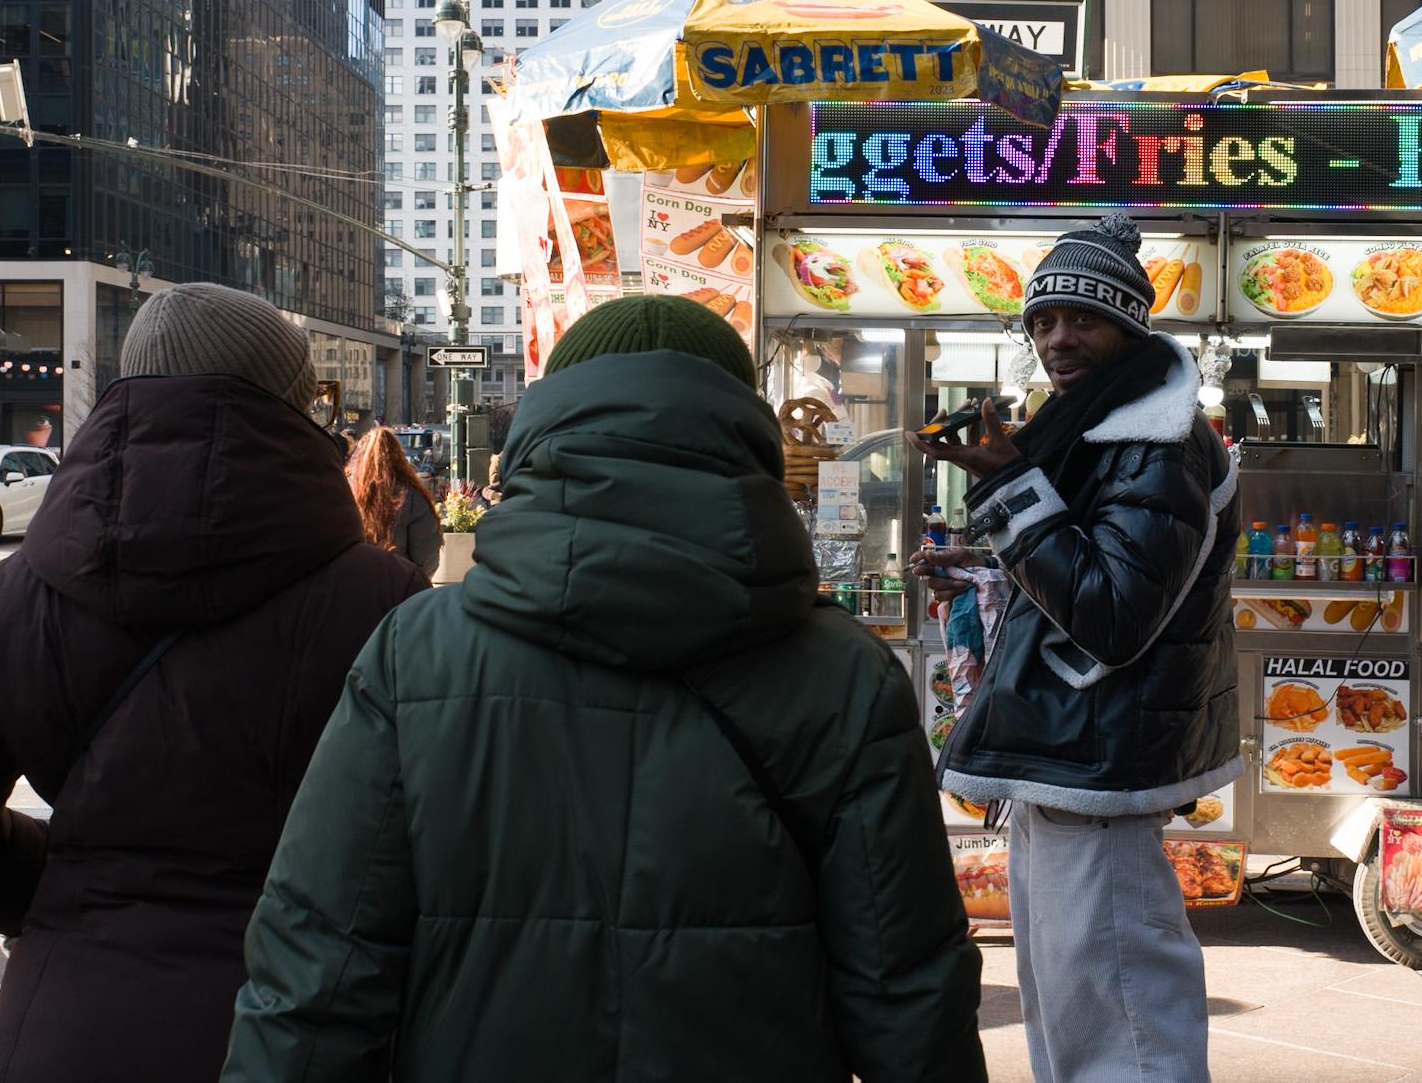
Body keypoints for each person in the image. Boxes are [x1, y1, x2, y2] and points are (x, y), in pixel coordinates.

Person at [222, 295, 985, 1083]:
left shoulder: (417, 658)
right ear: (744, 430)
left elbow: (315, 978)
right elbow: (910, 999)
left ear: (545, 427)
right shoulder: (844, 676)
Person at [0, 283, 429, 1083]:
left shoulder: (22, 592)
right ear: (294, 408)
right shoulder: (384, 601)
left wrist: (60, 884)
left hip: (63, 1027)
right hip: (299, 1030)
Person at [907, 213, 1241, 1083]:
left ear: (1130, 326)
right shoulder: (1094, 426)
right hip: (1069, 756)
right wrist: (982, 572)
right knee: (1072, 1008)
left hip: (1100, 761)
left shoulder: (1157, 441)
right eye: (1044, 321)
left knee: (1121, 1023)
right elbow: (1080, 568)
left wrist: (1013, 490)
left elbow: (1113, 612)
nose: (1059, 339)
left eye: (1083, 319)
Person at [346, 427, 441, 577]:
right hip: (400, 586)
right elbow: (426, 555)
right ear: (399, 457)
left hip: (354, 583)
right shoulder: (412, 495)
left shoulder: (346, 491)